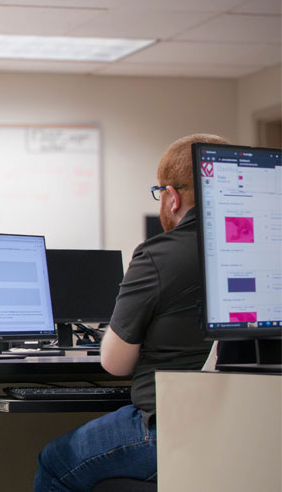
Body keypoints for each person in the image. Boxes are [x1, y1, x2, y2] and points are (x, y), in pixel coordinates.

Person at [34, 133, 229, 491]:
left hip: (170, 432)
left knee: (54, 460)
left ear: (171, 196)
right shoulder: (257, 251)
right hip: (244, 428)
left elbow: (116, 364)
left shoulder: (159, 253)